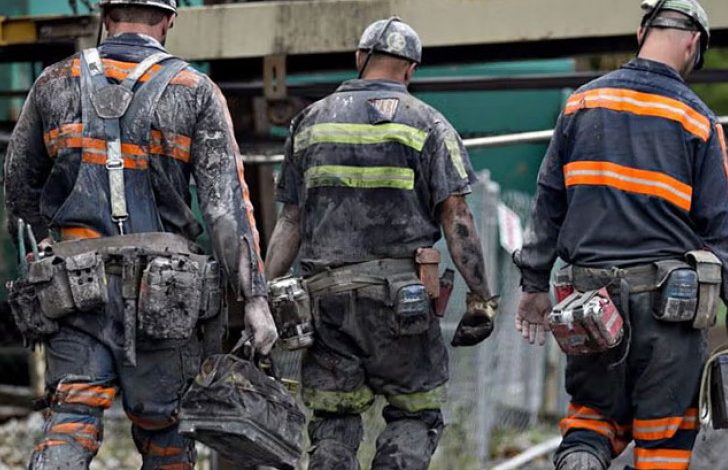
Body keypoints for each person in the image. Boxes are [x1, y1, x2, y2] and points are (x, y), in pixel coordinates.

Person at [3, 1, 278, 468]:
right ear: (169, 21)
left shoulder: (53, 82)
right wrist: (254, 298)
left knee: (71, 419)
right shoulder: (195, 90)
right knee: (165, 430)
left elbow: (17, 185)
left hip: (74, 289)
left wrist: (49, 242)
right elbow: (226, 209)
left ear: (106, 18)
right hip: (165, 294)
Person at [265, 16, 498, 470]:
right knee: (415, 414)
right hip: (403, 306)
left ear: (359, 58)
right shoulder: (428, 124)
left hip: (327, 303)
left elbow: (290, 220)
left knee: (334, 420)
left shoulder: (309, 123)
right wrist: (481, 296)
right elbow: (458, 218)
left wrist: (262, 293)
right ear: (410, 69)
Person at [513, 1, 727, 469]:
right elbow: (721, 233)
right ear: (693, 44)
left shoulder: (582, 103)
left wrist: (533, 285)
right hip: (669, 314)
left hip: (590, 304)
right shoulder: (698, 120)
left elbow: (548, 201)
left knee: (592, 421)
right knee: (664, 439)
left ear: (640, 33)